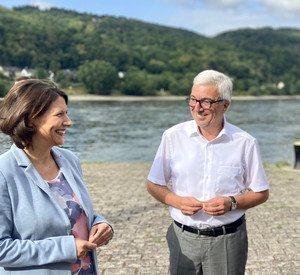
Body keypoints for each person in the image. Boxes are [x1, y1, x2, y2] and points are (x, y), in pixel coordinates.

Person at [147, 70, 269, 275]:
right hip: (182, 237)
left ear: (225, 105)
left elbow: (261, 193)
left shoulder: (245, 142)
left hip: (228, 240)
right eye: (193, 99)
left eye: (206, 101)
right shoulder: (173, 136)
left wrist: (232, 202)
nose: (197, 108)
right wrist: (176, 201)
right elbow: (153, 184)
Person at [0, 79, 113, 275]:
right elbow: (2, 249)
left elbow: (73, 214)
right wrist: (66, 248)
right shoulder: (4, 171)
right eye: (60, 114)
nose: (68, 122)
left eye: (66, 113)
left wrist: (100, 224)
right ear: (30, 119)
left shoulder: (70, 160)